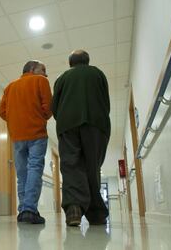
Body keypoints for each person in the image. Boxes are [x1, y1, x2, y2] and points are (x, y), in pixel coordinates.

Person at [51, 50, 111, 226]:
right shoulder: (98, 74)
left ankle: (74, 209)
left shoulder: (62, 78)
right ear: (87, 60)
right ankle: (96, 214)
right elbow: (105, 102)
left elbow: (55, 107)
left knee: (71, 165)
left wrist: (66, 117)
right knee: (92, 166)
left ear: (70, 63)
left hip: (68, 125)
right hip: (96, 123)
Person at [0, 60, 52, 224]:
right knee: (34, 169)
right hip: (36, 133)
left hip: (17, 136)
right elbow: (49, 108)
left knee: (22, 174)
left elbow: (2, 112)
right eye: (43, 69)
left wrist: (16, 120)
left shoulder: (9, 87)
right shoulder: (41, 81)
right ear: (32, 69)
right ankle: (30, 209)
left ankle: (23, 210)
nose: (45, 74)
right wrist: (39, 117)